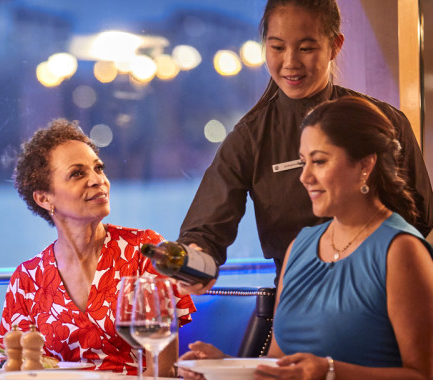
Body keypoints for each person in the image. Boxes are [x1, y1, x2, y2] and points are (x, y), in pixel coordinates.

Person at [184, 96, 433, 380]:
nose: (304, 177)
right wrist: (223, 369)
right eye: (303, 162)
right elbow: (281, 364)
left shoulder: (401, 250)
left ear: (364, 166)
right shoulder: (301, 245)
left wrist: (329, 372)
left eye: (319, 161)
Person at [178, 0, 433, 290]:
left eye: (306, 48)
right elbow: (206, 233)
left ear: (335, 46)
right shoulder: (250, 138)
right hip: (296, 301)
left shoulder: (385, 122)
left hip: (382, 295)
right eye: (277, 47)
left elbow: (420, 222)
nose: (290, 62)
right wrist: (195, 261)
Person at [0, 119, 195, 375]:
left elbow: (163, 368)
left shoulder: (145, 250)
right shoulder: (27, 280)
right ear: (45, 198)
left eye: (98, 168)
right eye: (77, 173)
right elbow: (12, 365)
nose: (97, 180)